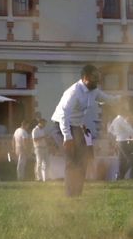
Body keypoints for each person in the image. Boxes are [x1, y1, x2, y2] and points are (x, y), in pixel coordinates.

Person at [51, 64, 119, 197]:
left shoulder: (94, 90)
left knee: (82, 159)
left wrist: (120, 100)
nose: (98, 80)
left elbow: (108, 99)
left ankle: (77, 193)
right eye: (95, 77)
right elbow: (64, 115)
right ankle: (71, 194)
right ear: (85, 78)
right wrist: (67, 137)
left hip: (76, 127)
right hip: (61, 126)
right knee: (72, 159)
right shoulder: (73, 92)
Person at [108, 106, 133, 180]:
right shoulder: (121, 120)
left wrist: (116, 134)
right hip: (124, 142)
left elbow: (110, 130)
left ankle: (120, 177)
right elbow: (129, 129)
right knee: (131, 160)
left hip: (119, 141)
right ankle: (120, 175)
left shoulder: (115, 119)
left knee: (121, 160)